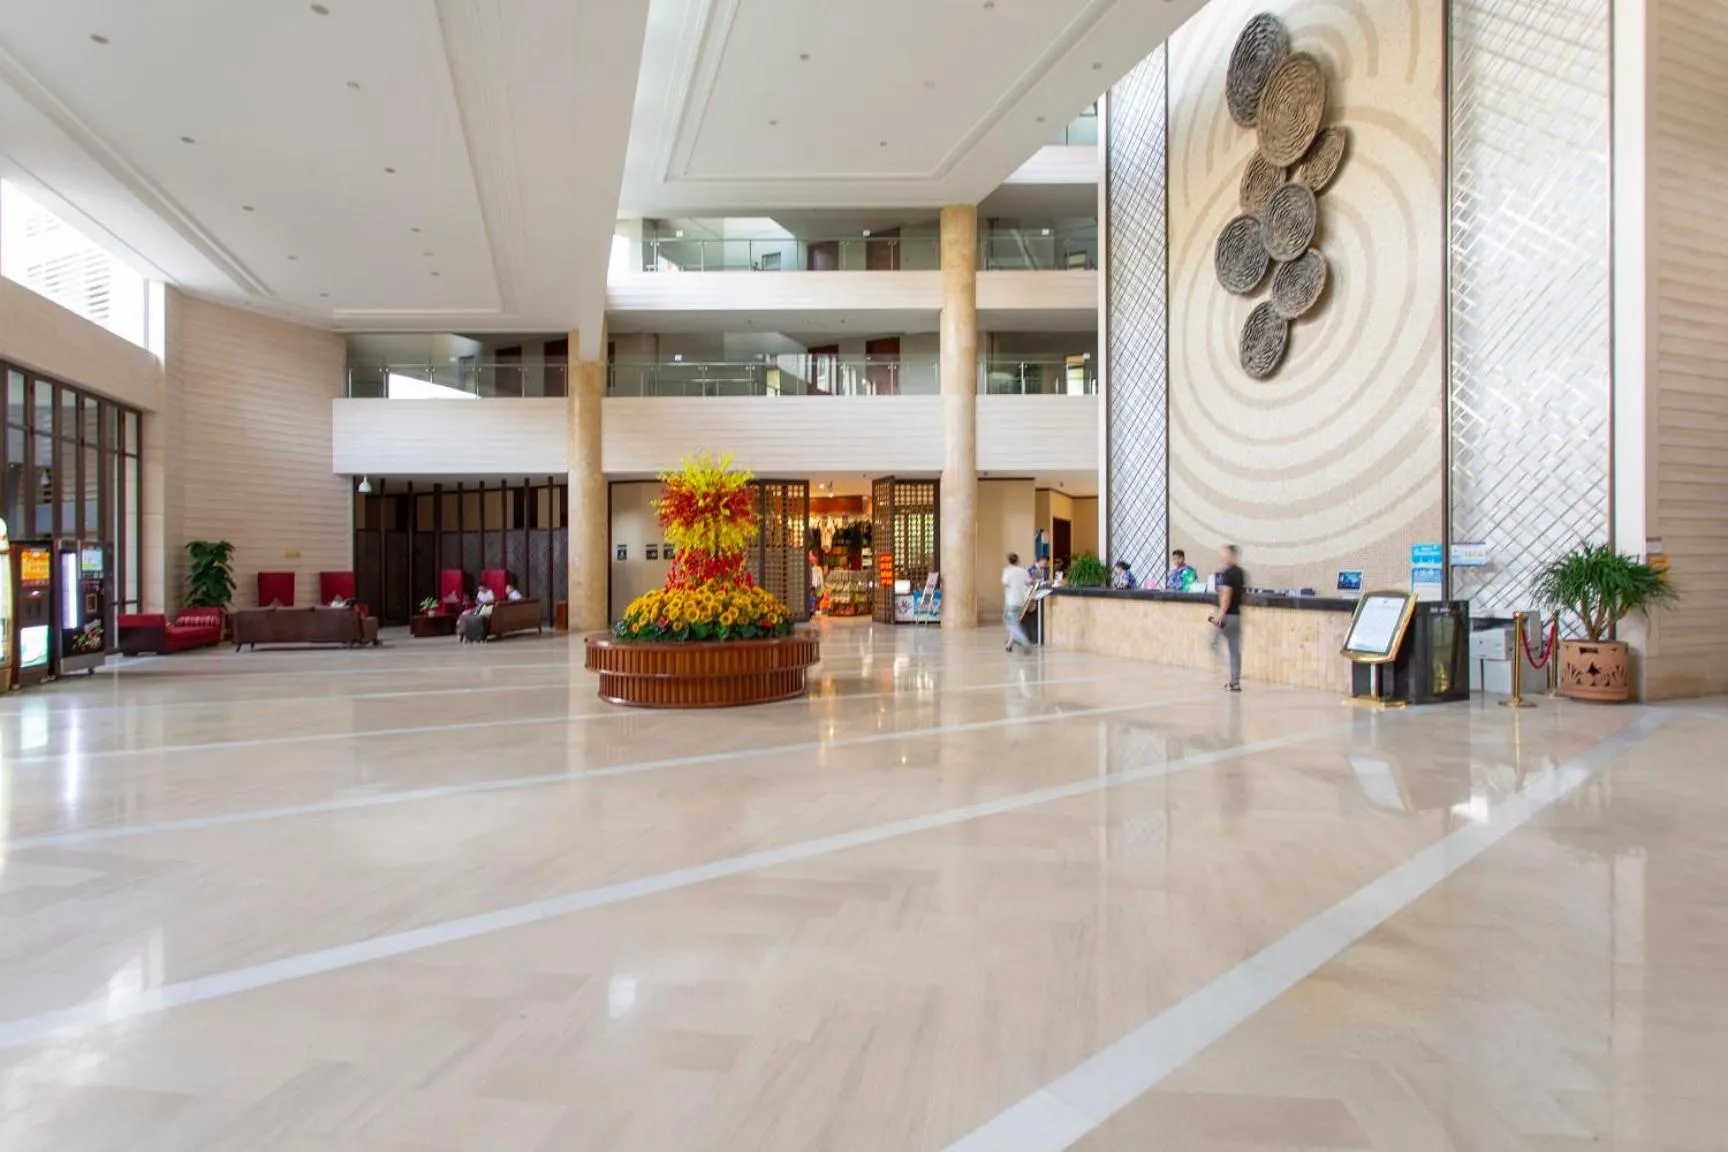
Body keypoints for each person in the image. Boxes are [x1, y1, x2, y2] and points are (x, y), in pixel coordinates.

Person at [1206, 544, 1246, 691]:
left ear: (1231, 555)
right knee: (1235, 649)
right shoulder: (1240, 573)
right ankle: (1235, 682)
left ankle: (1219, 665)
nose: (1222, 557)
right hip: (1236, 616)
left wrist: (1220, 614)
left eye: (1224, 554)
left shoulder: (1227, 573)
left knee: (1213, 642)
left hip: (1226, 616)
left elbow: (1226, 594)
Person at [1002, 552, 1034, 653]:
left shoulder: (1008, 571)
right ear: (1018, 560)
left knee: (1011, 624)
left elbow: (1005, 583)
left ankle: (1024, 641)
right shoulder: (1023, 571)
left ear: (1009, 561)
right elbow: (1029, 582)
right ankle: (1009, 644)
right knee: (1014, 622)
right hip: (1020, 601)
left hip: (1011, 601)